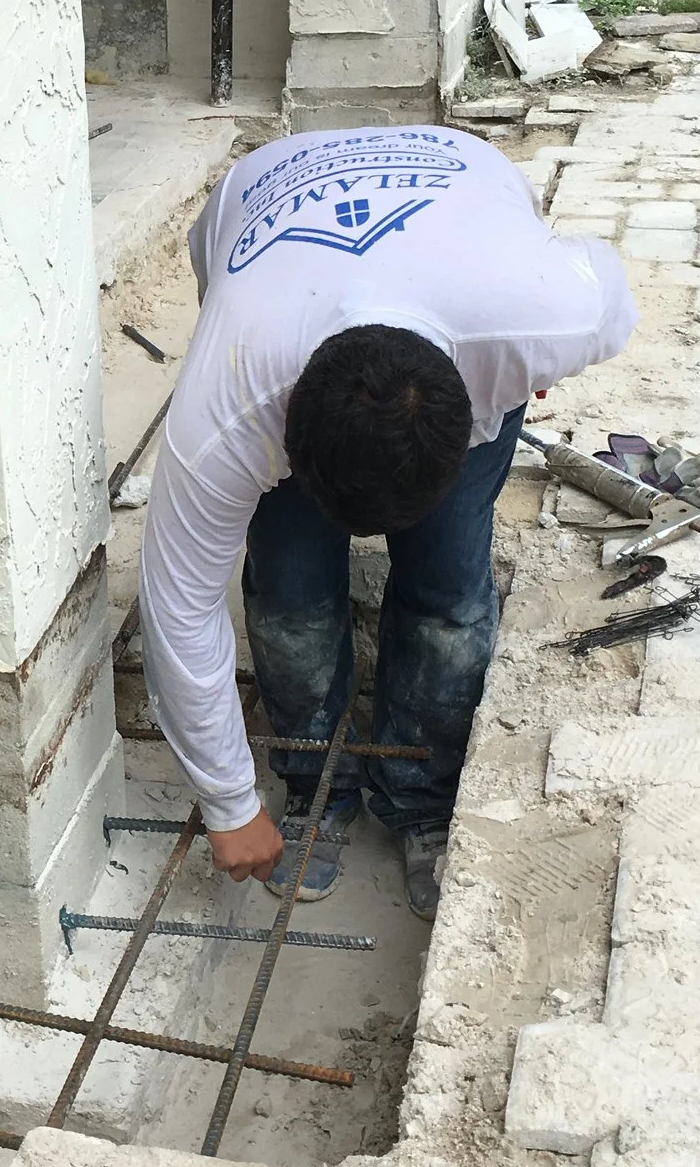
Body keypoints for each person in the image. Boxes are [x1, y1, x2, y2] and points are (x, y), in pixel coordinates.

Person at [138, 124, 637, 918]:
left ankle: (422, 797)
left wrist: (533, 371)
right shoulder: (229, 402)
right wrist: (230, 803)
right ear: (286, 440)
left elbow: (613, 283)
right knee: (291, 596)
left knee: (447, 587)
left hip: (462, 195)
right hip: (268, 204)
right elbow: (178, 605)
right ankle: (315, 786)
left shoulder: (548, 314)